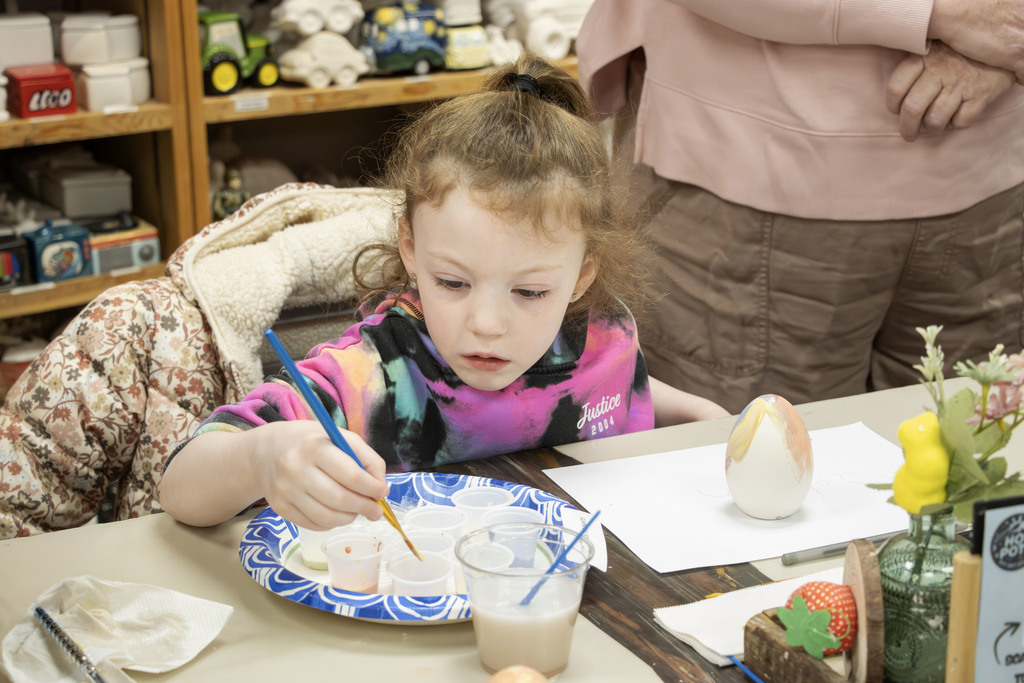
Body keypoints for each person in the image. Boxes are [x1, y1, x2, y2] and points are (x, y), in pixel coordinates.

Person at [158, 54, 729, 530]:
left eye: (529, 292)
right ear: (410, 247)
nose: (485, 323)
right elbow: (180, 486)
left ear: (582, 275)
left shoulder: (598, 331)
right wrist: (261, 459)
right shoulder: (370, 376)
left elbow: (619, 380)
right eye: (453, 282)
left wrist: (700, 416)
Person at [576, 0, 1024, 414]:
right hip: (751, 184)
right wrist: (966, 20)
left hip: (980, 187)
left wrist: (1002, 35)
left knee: (959, 471)